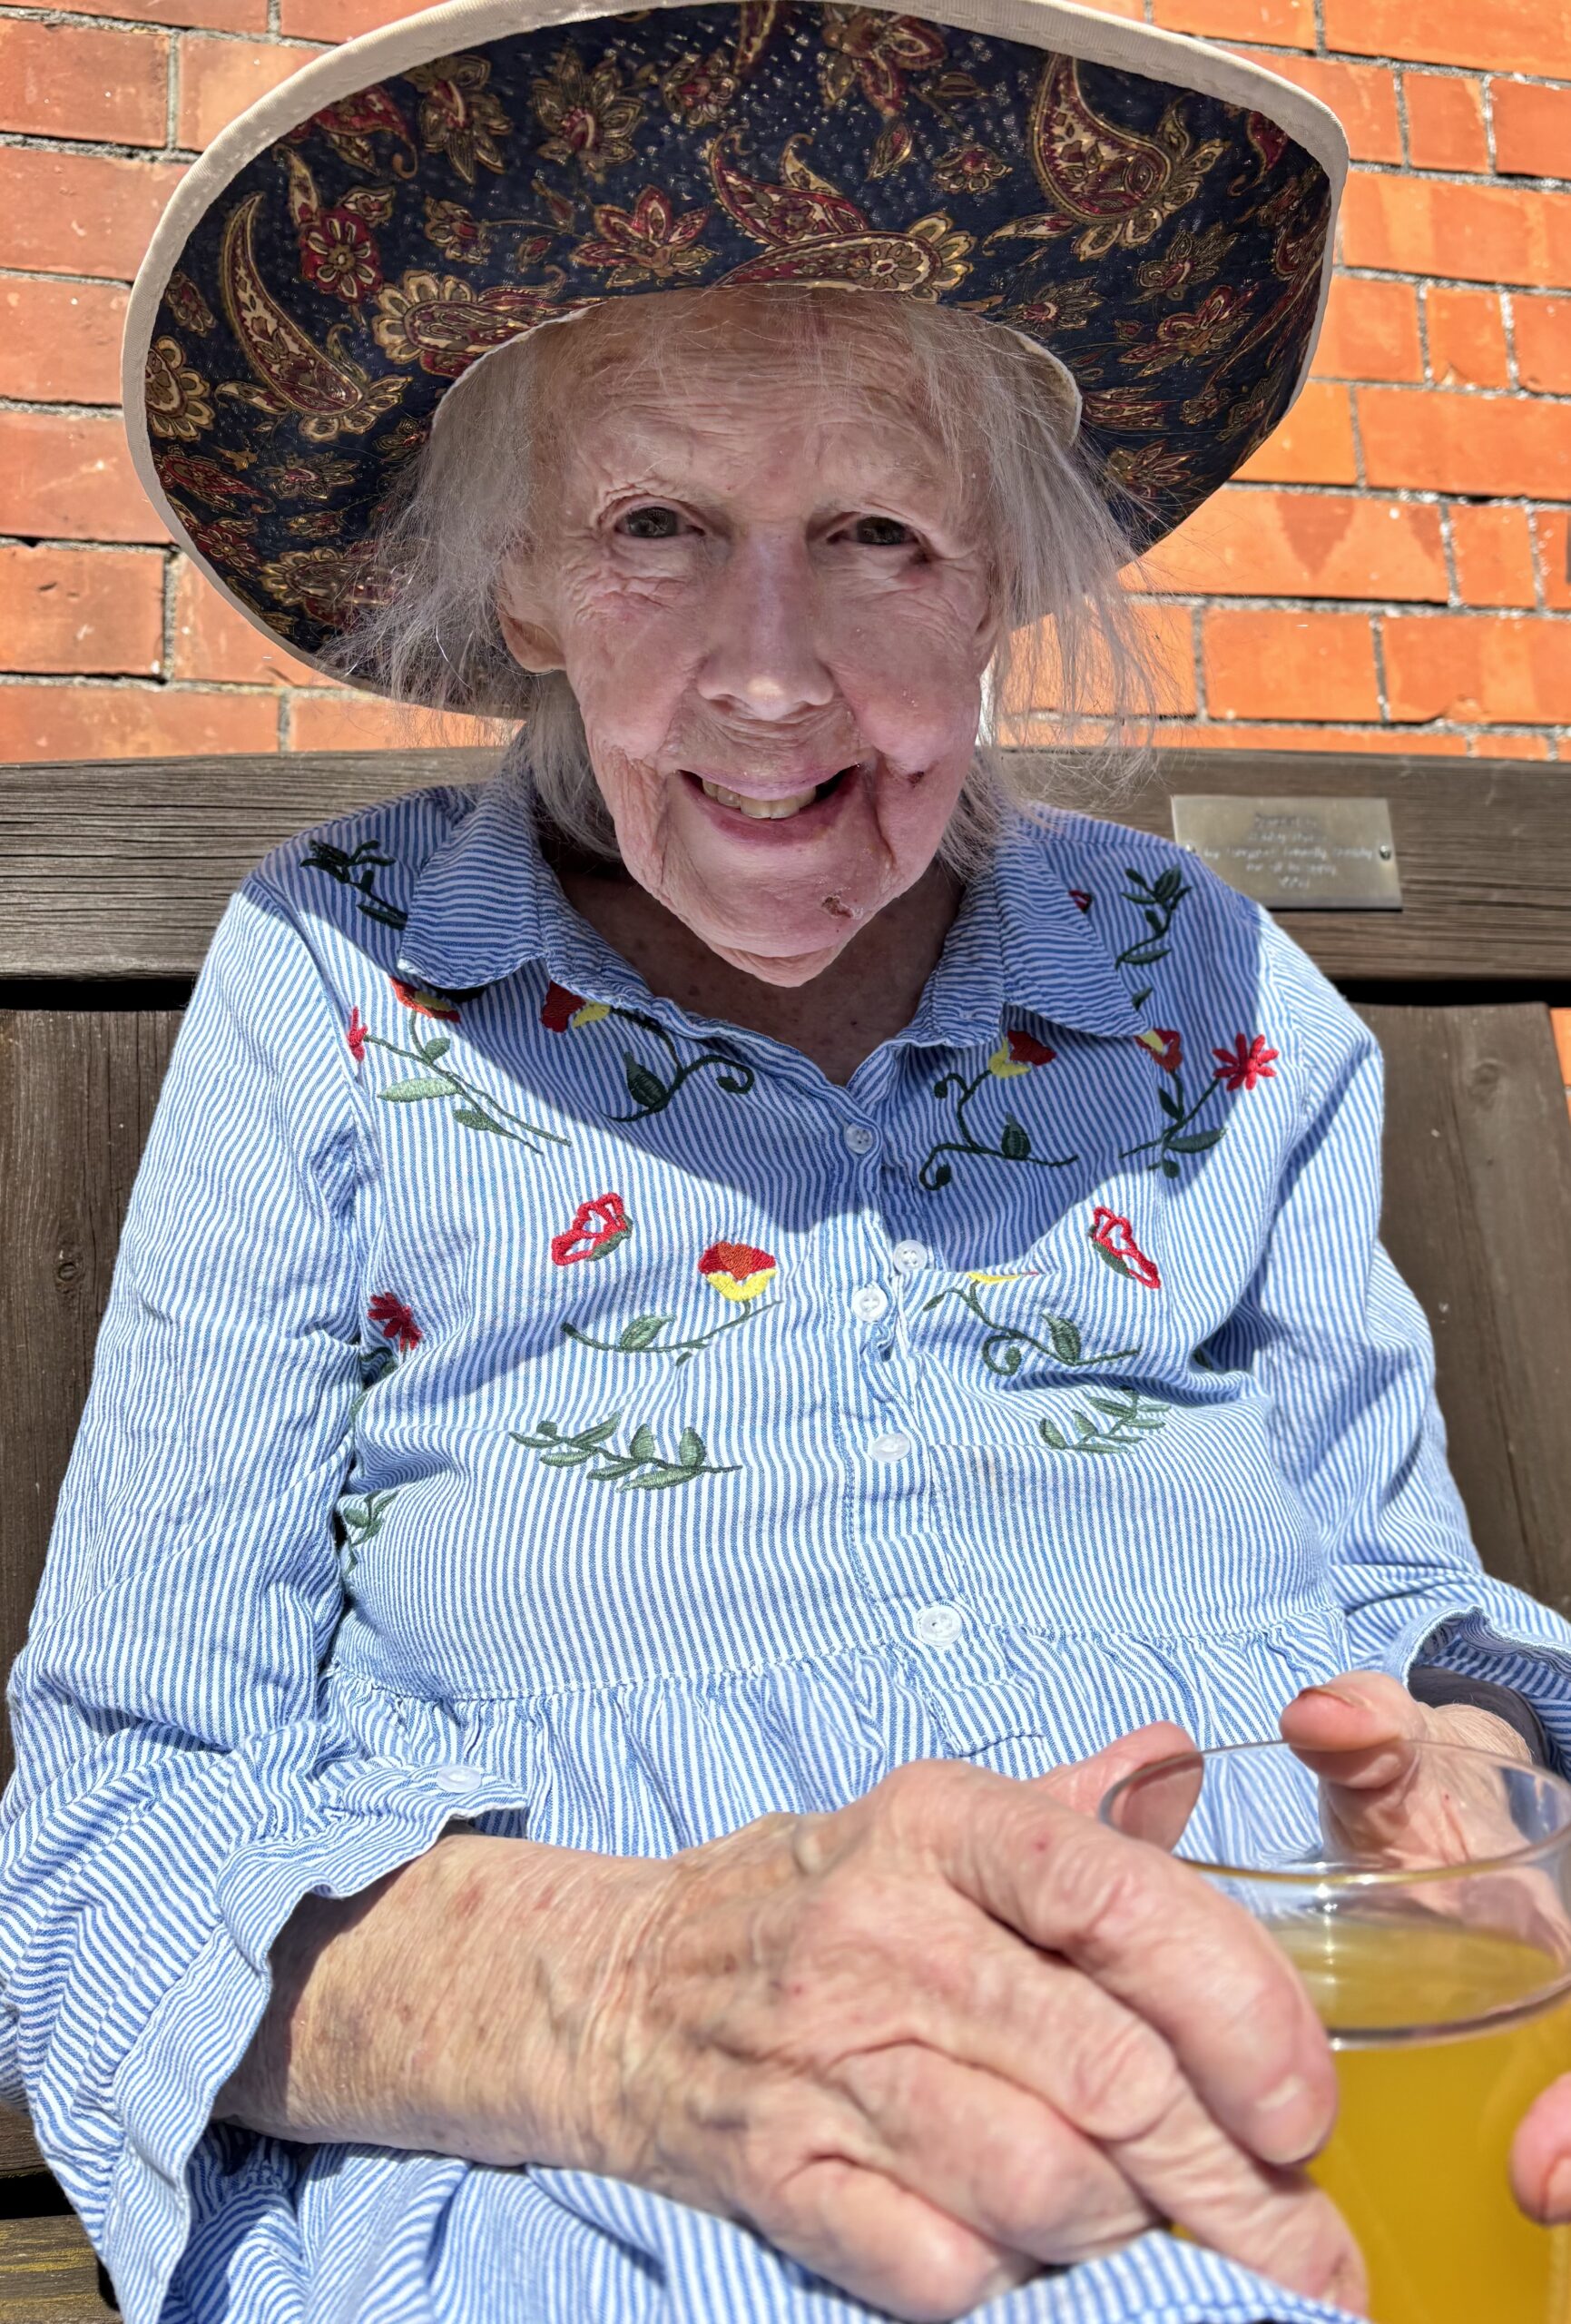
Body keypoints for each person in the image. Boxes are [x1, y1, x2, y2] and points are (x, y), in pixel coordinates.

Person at [6, 5, 1571, 2320]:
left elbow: (1402, 1603)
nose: (770, 675)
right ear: (518, 584)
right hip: (612, 2217)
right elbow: (113, 1840)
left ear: (994, 588)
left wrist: (1474, 1782)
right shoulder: (340, 988)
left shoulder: (1205, 986)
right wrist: (627, 1990)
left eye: (875, 534)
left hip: (1336, 2155)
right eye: (654, 527)